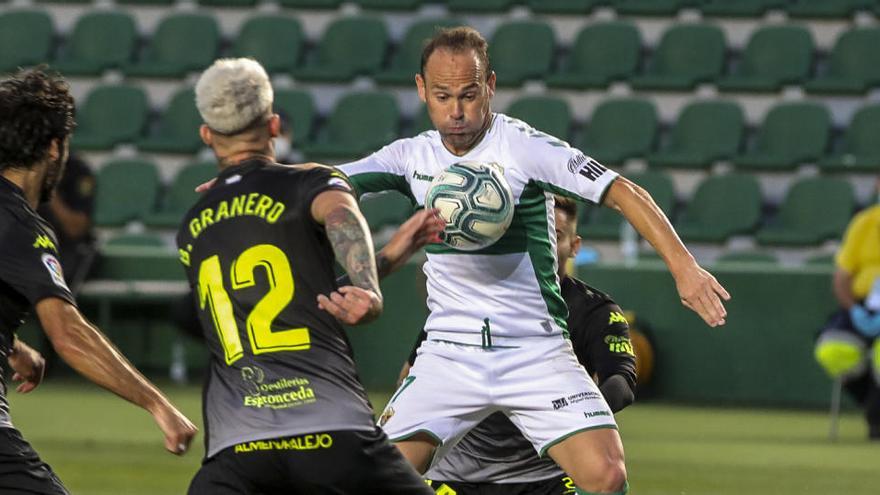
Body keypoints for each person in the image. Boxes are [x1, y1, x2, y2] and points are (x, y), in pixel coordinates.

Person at [340, 27, 729, 494]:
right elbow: (326, 184)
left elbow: (623, 191)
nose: (456, 111)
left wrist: (685, 268)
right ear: (422, 89)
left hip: (534, 348)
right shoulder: (410, 157)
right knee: (374, 478)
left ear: (490, 87)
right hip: (449, 352)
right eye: (443, 96)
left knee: (606, 475)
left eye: (468, 94)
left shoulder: (524, 147)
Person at [181, 58, 441, 495]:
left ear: (207, 135)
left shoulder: (193, 225)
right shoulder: (309, 184)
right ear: (274, 125)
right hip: (331, 429)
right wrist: (369, 285)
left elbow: (296, 300)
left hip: (238, 446)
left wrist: (390, 257)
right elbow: (340, 213)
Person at [0, 69, 197, 494]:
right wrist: (157, 404)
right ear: (55, 148)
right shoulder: (21, 226)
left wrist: (12, 346)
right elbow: (69, 334)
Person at [401, 196, 637, 494]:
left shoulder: (596, 310)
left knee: (607, 477)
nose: (545, 242)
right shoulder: (467, 303)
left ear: (574, 246)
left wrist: (571, 413)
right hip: (459, 473)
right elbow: (411, 373)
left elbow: (621, 382)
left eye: (556, 235)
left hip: (547, 474)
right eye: (536, 232)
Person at [815, 180, 880, 440]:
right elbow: (842, 278)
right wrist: (854, 310)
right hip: (864, 305)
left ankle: (877, 415)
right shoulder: (864, 223)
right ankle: (872, 405)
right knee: (832, 347)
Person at [36, 153, 96, 294]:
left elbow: (76, 229)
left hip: (65, 249)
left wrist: (48, 190)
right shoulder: (18, 168)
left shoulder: (76, 170)